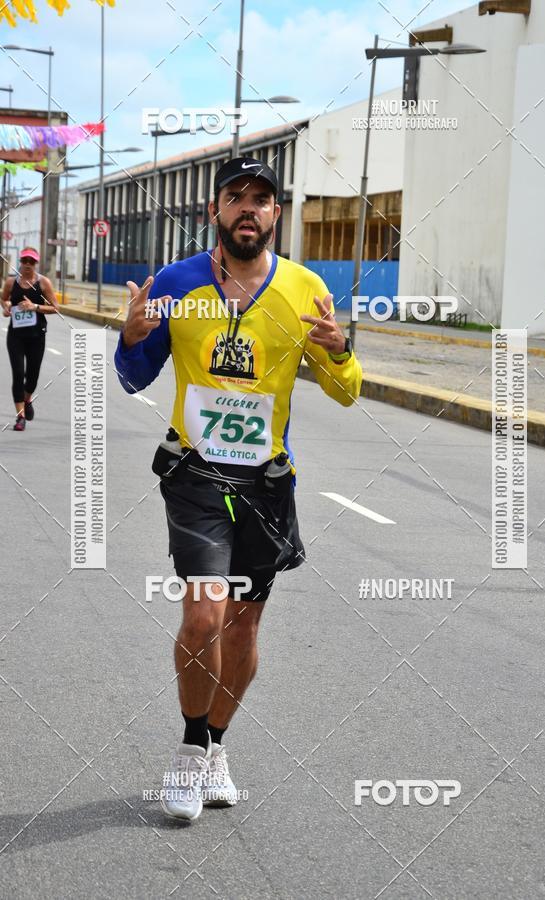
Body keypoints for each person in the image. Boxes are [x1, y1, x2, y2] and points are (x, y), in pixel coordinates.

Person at [114, 157, 362, 822]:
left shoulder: (304, 289)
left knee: (245, 626)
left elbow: (345, 391)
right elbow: (134, 376)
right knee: (204, 615)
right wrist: (133, 338)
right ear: (214, 211)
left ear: (277, 213)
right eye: (235, 198)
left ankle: (217, 745)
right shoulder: (176, 282)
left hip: (267, 486)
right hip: (196, 477)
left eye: (261, 198)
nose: (248, 208)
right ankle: (191, 752)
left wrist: (338, 350)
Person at [1, 248, 58, 431]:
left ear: (36, 263)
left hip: (36, 336)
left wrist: (34, 306)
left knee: (31, 377)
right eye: (24, 260)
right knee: (18, 374)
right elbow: (3, 299)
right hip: (16, 336)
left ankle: (27, 398)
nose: (27, 264)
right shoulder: (11, 282)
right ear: (20, 261)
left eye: (31, 261)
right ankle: (20, 417)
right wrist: (7, 307)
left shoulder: (43, 283)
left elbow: (55, 307)